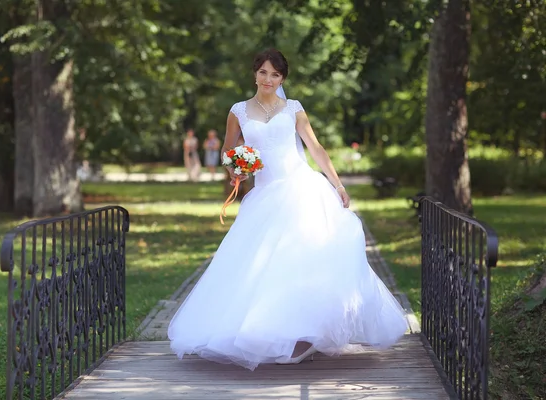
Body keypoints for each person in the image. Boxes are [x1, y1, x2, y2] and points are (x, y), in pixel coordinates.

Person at [168, 49, 407, 370]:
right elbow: (228, 149)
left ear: (283, 79)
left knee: (304, 260)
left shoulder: (293, 109)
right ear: (255, 73)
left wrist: (336, 184)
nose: (269, 79)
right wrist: (235, 168)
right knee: (264, 266)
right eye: (264, 72)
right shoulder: (238, 111)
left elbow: (316, 148)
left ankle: (306, 335)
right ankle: (273, 333)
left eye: (276, 75)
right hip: (264, 193)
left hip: (302, 188)